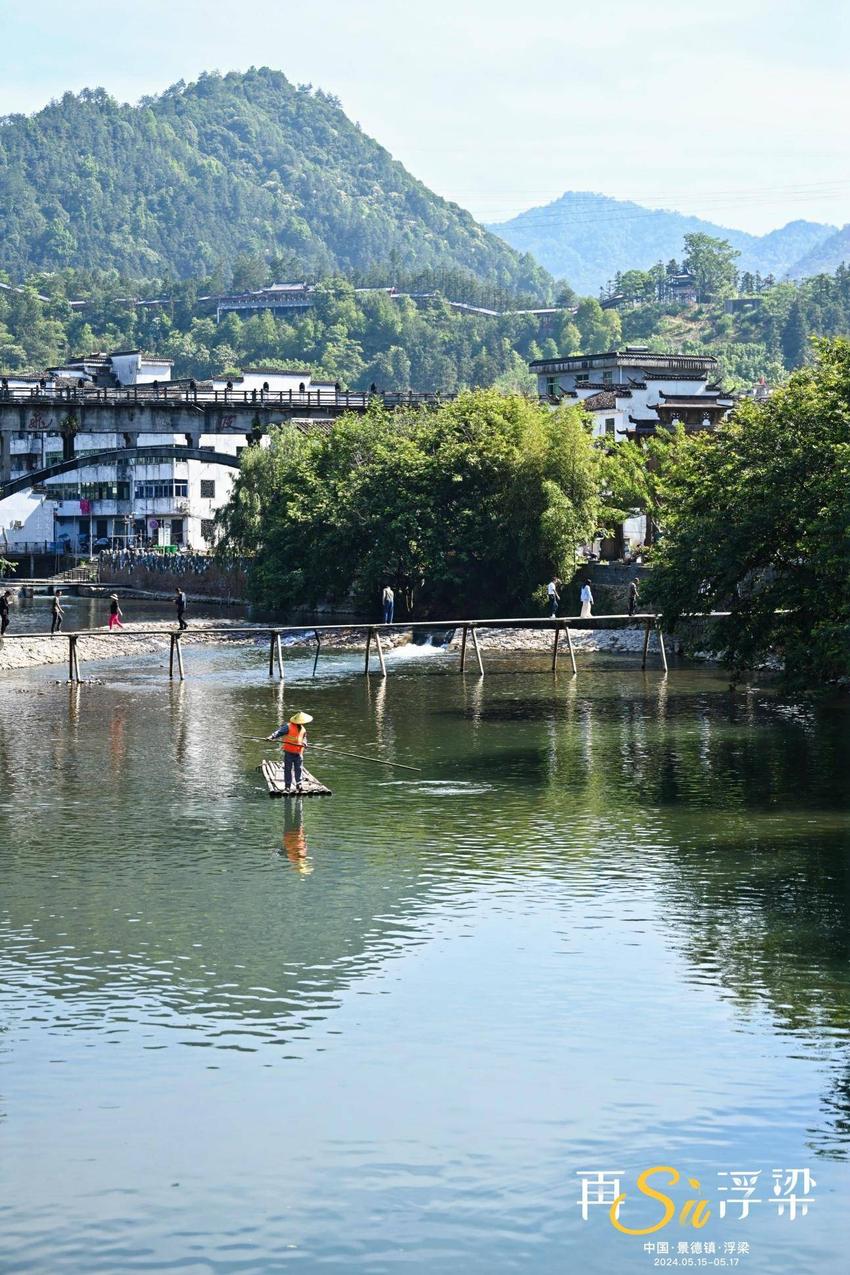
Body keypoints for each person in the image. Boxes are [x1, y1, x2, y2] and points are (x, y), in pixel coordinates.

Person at [267, 711, 313, 794]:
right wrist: (272, 736)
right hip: (289, 752)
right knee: (288, 769)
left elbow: (304, 738)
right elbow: (279, 732)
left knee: (298, 768)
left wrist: (305, 743)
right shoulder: (288, 726)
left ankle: (299, 784)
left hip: (299, 752)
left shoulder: (303, 729)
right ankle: (287, 786)